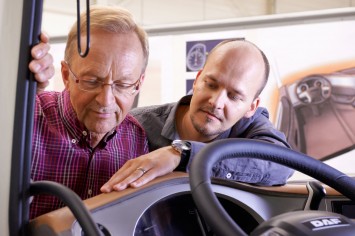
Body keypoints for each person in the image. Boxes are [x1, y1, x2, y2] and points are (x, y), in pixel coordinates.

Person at [29, 5, 150, 219]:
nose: (106, 100)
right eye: (91, 81)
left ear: (139, 84)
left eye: (122, 84)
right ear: (66, 75)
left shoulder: (137, 138)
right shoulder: (27, 120)